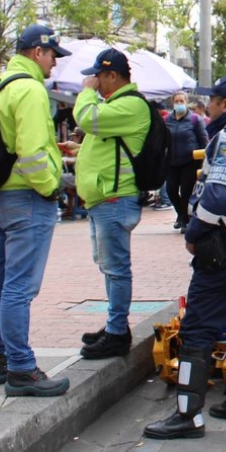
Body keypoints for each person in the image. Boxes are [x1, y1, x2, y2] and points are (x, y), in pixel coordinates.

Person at [144, 75, 226, 440]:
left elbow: (216, 195)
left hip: (220, 250)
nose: (208, 107)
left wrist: (193, 233)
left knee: (198, 330)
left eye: (213, 101)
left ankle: (188, 415)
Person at [0, 24, 71, 397]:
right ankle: (21, 368)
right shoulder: (31, 90)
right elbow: (32, 153)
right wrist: (52, 187)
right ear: (37, 52)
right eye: (52, 56)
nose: (54, 64)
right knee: (18, 288)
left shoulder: (1, 85)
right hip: (27, 200)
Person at [71, 48, 150, 360]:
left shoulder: (130, 106)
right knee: (109, 267)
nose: (93, 82)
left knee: (116, 268)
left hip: (115, 199)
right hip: (104, 199)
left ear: (112, 75)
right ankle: (115, 325)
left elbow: (86, 119)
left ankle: (117, 333)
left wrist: (85, 94)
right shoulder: (116, 106)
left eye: (98, 76)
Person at [165, 90, 208, 233]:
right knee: (170, 190)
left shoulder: (195, 120)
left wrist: (204, 161)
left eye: (181, 101)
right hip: (171, 162)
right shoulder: (167, 120)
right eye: (176, 101)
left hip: (189, 162)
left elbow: (204, 141)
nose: (179, 104)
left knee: (186, 192)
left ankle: (184, 220)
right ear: (172, 103)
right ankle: (182, 216)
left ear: (186, 102)